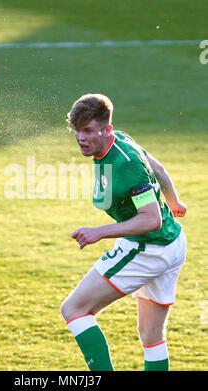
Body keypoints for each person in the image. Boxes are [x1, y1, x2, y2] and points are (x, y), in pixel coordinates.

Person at [61, 93, 187, 371]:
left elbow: (151, 219)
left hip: (149, 248)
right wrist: (174, 200)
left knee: (74, 310)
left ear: (106, 129)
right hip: (172, 242)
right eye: (77, 131)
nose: (81, 138)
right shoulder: (119, 138)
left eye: (88, 131)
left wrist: (99, 232)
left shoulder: (125, 164)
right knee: (151, 336)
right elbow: (157, 167)